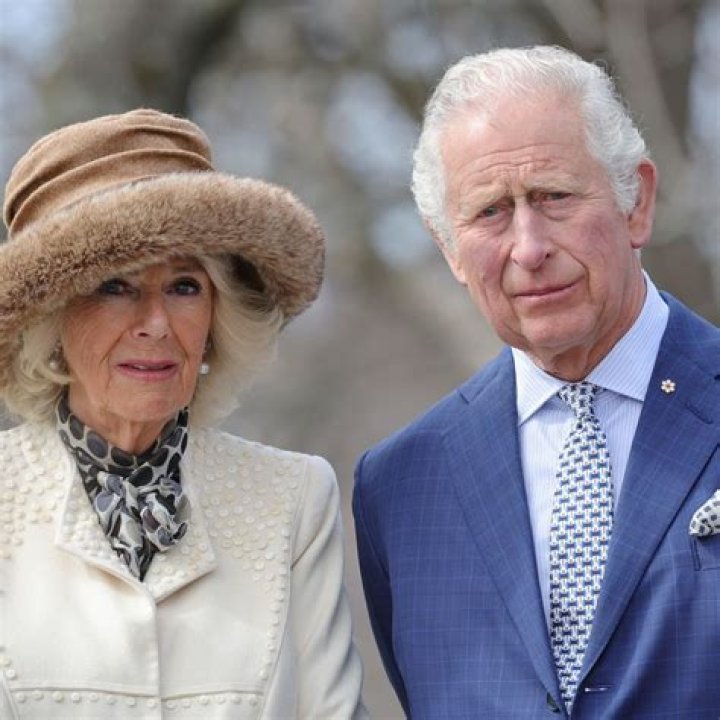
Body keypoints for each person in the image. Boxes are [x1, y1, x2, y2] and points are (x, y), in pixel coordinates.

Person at [353, 45, 719, 719]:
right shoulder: (401, 484)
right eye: (490, 211)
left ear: (636, 202)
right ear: (448, 247)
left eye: (554, 197)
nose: (528, 247)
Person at [0, 108, 368, 719]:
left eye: (184, 287)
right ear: (51, 320)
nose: (155, 323)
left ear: (218, 316)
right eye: (115, 286)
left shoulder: (294, 496)